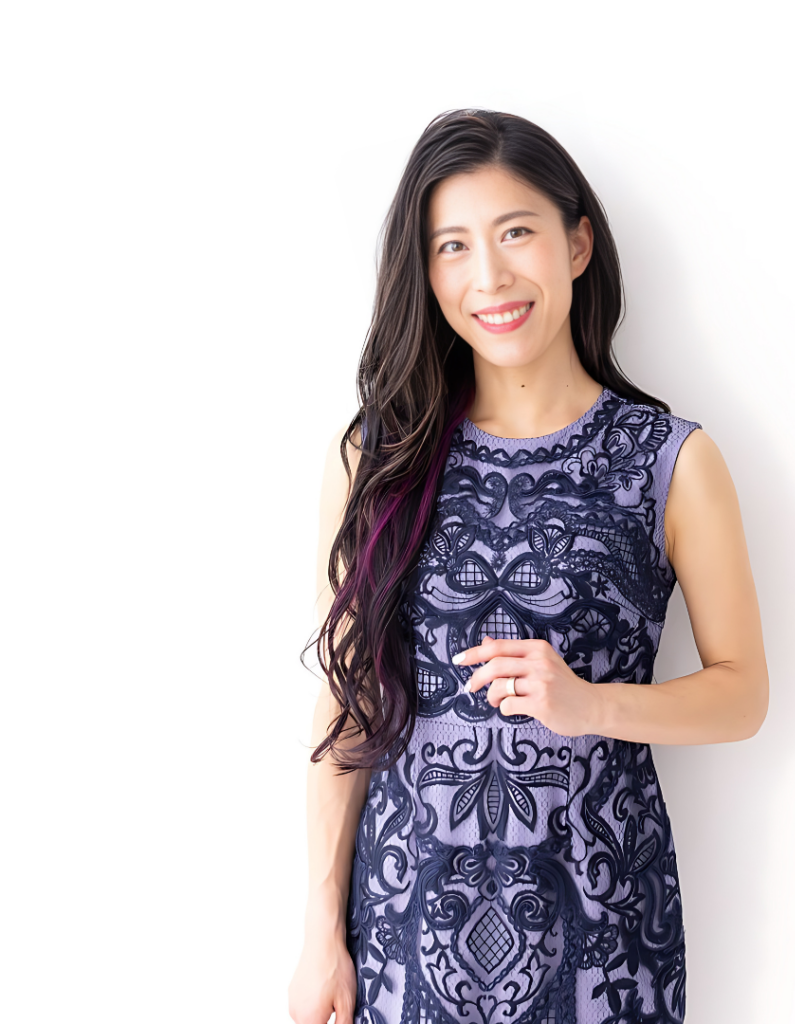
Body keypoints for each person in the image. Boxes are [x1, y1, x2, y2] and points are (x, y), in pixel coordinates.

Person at [288, 109, 769, 1024]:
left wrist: (594, 704)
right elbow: (348, 699)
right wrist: (320, 930)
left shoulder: (667, 461)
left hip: (601, 935)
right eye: (453, 246)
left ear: (577, 244)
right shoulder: (376, 457)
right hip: (402, 932)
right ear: (426, 272)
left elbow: (743, 693)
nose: (490, 276)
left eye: (516, 233)